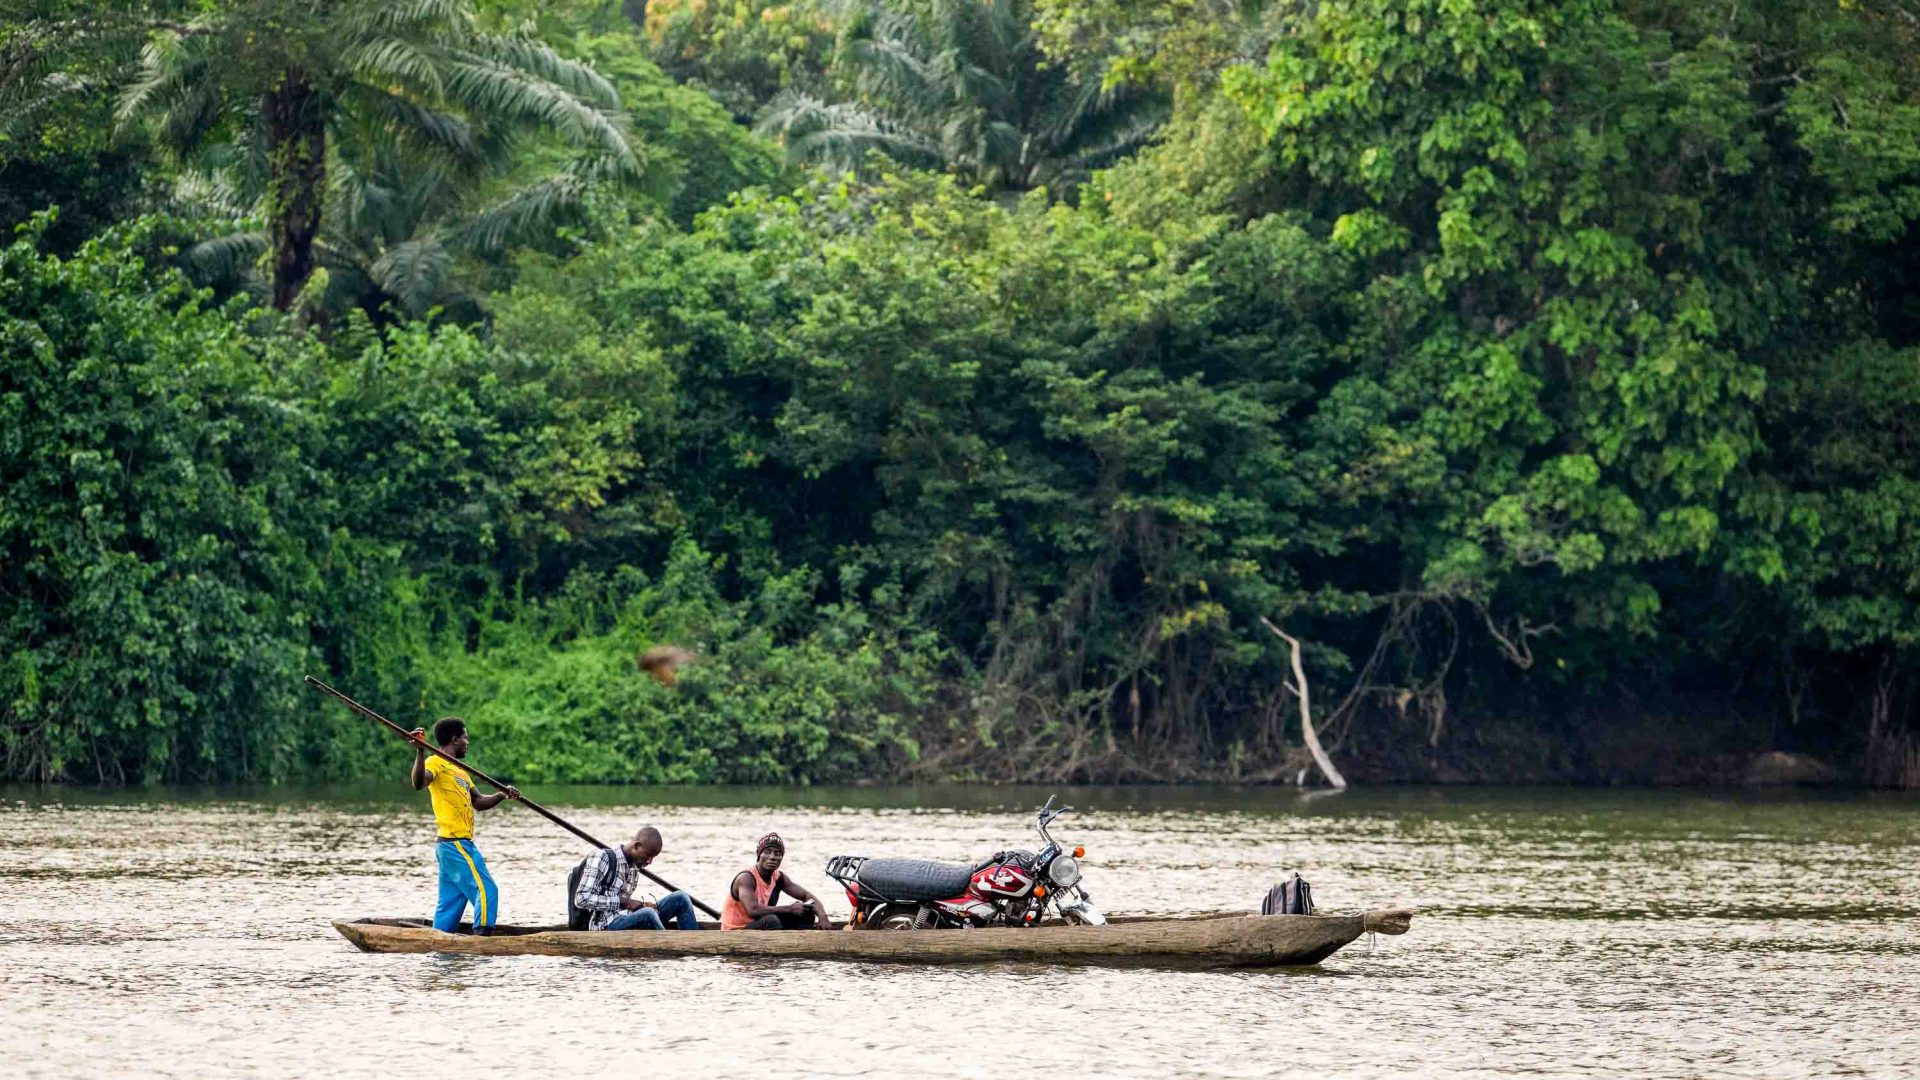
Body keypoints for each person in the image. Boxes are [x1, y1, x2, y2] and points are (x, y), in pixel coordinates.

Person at [408, 717, 517, 935]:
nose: (468, 742)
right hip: (454, 843)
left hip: (455, 846)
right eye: (465, 737)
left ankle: (439, 942)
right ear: (454, 739)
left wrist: (501, 795)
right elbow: (419, 782)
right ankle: (483, 938)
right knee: (487, 890)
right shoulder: (435, 762)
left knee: (451, 901)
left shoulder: (461, 771)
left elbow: (478, 802)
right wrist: (420, 751)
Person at [572, 826, 702, 931]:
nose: (650, 861)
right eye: (648, 855)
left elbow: (628, 906)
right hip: (605, 926)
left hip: (627, 919)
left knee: (681, 897)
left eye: (653, 857)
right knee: (648, 914)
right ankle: (670, 946)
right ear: (636, 846)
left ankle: (694, 944)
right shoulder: (602, 857)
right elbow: (582, 899)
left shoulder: (634, 867)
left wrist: (640, 905)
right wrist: (624, 902)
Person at [721, 832, 833, 930]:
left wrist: (823, 916)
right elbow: (753, 910)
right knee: (771, 920)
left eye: (777, 853)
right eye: (767, 852)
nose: (772, 857)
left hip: (758, 925)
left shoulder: (779, 877)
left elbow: (807, 896)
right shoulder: (746, 878)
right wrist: (789, 909)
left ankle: (802, 942)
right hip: (737, 931)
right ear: (759, 856)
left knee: (806, 911)